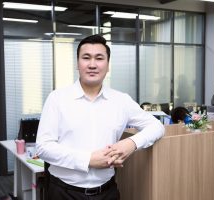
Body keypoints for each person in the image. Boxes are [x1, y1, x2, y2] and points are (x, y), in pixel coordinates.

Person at [36, 35, 164, 200]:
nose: (92, 65)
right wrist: (88, 160)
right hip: (63, 192)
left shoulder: (121, 100)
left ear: (108, 65)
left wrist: (131, 143)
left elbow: (157, 127)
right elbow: (43, 147)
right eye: (86, 58)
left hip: (107, 192)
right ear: (77, 63)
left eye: (99, 58)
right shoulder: (57, 98)